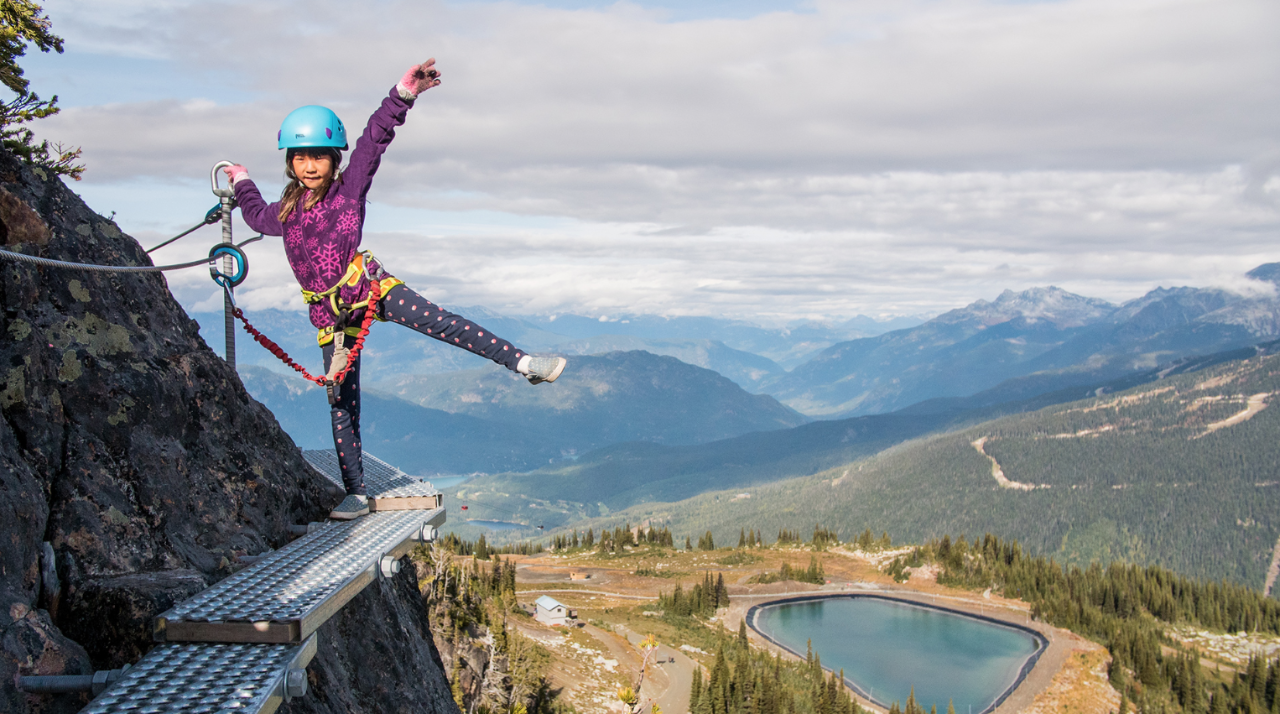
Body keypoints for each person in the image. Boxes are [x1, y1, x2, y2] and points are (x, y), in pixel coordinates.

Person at [224, 59, 566, 520]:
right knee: (342, 402)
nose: (309, 165)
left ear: (334, 160)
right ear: (289, 162)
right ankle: (356, 493)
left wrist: (403, 94)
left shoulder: (349, 190)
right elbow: (252, 215)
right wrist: (242, 180)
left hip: (368, 288)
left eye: (319, 156)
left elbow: (373, 140)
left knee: (438, 321)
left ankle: (524, 362)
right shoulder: (284, 211)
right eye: (300, 157)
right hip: (330, 318)